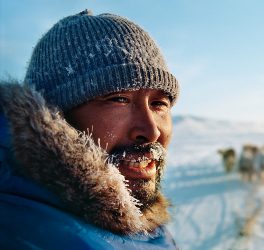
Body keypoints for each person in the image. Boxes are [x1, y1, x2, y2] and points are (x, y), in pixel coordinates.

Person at [0, 9, 179, 249]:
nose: (152, 131)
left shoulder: (145, 228)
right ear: (55, 119)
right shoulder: (25, 235)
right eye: (119, 99)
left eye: (159, 104)